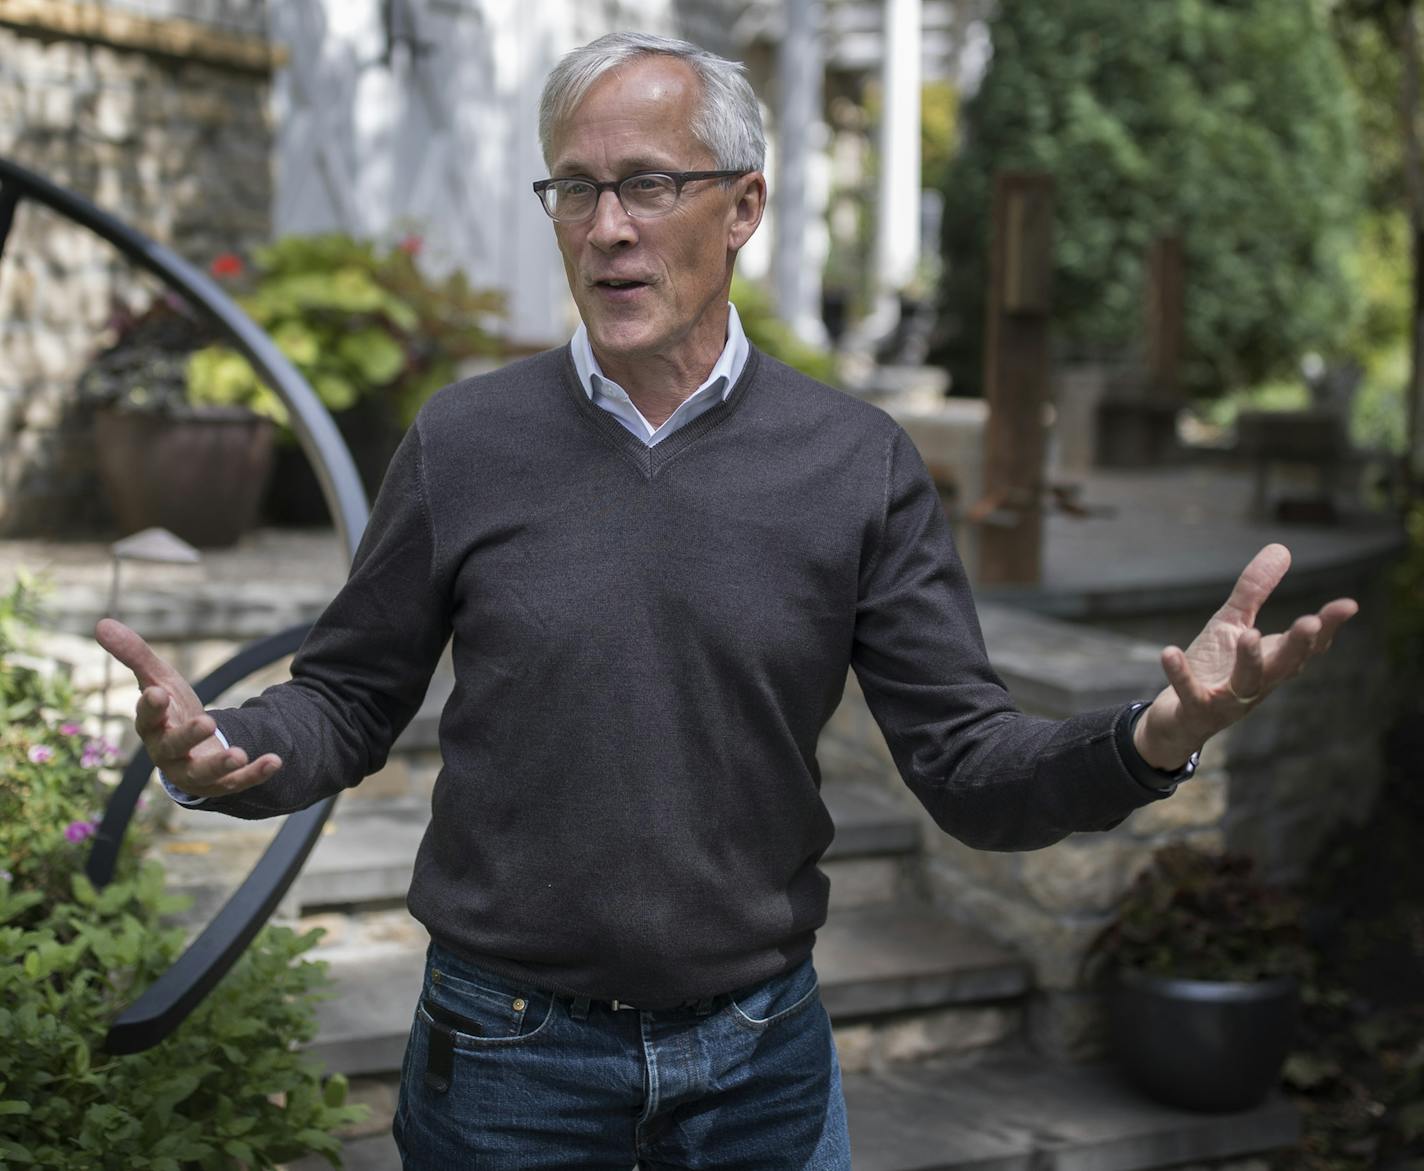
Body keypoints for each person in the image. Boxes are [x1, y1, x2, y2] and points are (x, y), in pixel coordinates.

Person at [95, 32, 1358, 1171]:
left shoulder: (854, 462)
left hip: (760, 1065)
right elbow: (350, 696)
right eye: (574, 189)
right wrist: (228, 748)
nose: (605, 228)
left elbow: (970, 767)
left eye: (647, 183)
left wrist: (1151, 739)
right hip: (503, 1061)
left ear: (743, 204)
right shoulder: (465, 440)